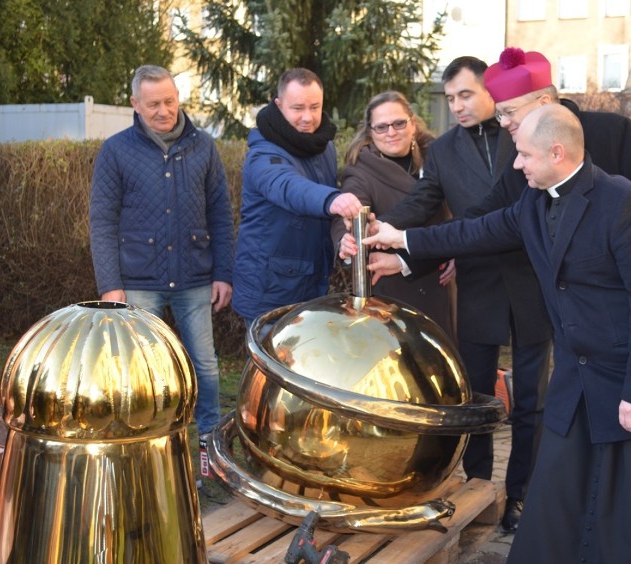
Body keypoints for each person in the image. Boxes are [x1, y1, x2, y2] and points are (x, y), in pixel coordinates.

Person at [356, 103, 631, 563]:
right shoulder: (533, 201)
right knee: (561, 496)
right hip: (579, 379)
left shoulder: (624, 203)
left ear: (556, 152)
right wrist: (402, 239)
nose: (515, 163)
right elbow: (476, 232)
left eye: (524, 154)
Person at [372, 57, 552, 533]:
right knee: (473, 397)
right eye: (450, 98)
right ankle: (478, 490)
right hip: (477, 285)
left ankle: (521, 497)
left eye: (466, 95)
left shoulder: (525, 136)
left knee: (532, 400)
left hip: (535, 284)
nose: (456, 107)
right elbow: (424, 201)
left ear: (491, 92)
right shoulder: (445, 150)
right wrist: (384, 228)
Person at [474, 47, 631, 376]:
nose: (504, 122)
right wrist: (404, 244)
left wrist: (601, 260)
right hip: (582, 319)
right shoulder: (521, 156)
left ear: (542, 104)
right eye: (500, 115)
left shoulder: (615, 131)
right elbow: (482, 219)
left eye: (509, 111)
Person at [90, 65, 233, 440]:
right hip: (138, 282)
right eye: (153, 104)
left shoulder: (204, 146)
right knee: (141, 371)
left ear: (178, 98)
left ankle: (209, 446)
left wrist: (224, 273)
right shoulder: (115, 150)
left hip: (196, 279)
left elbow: (220, 214)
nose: (163, 111)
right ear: (135, 104)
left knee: (205, 367)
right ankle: (145, 444)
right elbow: (102, 221)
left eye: (169, 101)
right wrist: (110, 285)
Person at [232, 68, 363, 328]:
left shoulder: (323, 146)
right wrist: (331, 200)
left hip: (311, 284)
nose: (308, 117)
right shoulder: (262, 154)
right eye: (298, 108)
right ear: (279, 105)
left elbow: (328, 217)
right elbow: (288, 186)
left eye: (315, 107)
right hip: (269, 292)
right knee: (270, 369)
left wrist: (341, 239)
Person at [329, 91, 454, 337]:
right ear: (369, 132)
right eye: (381, 127)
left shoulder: (437, 157)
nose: (391, 132)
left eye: (399, 123)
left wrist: (457, 251)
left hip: (439, 276)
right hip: (394, 285)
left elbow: (462, 209)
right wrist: (346, 239)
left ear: (412, 122)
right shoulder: (361, 171)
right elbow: (351, 212)